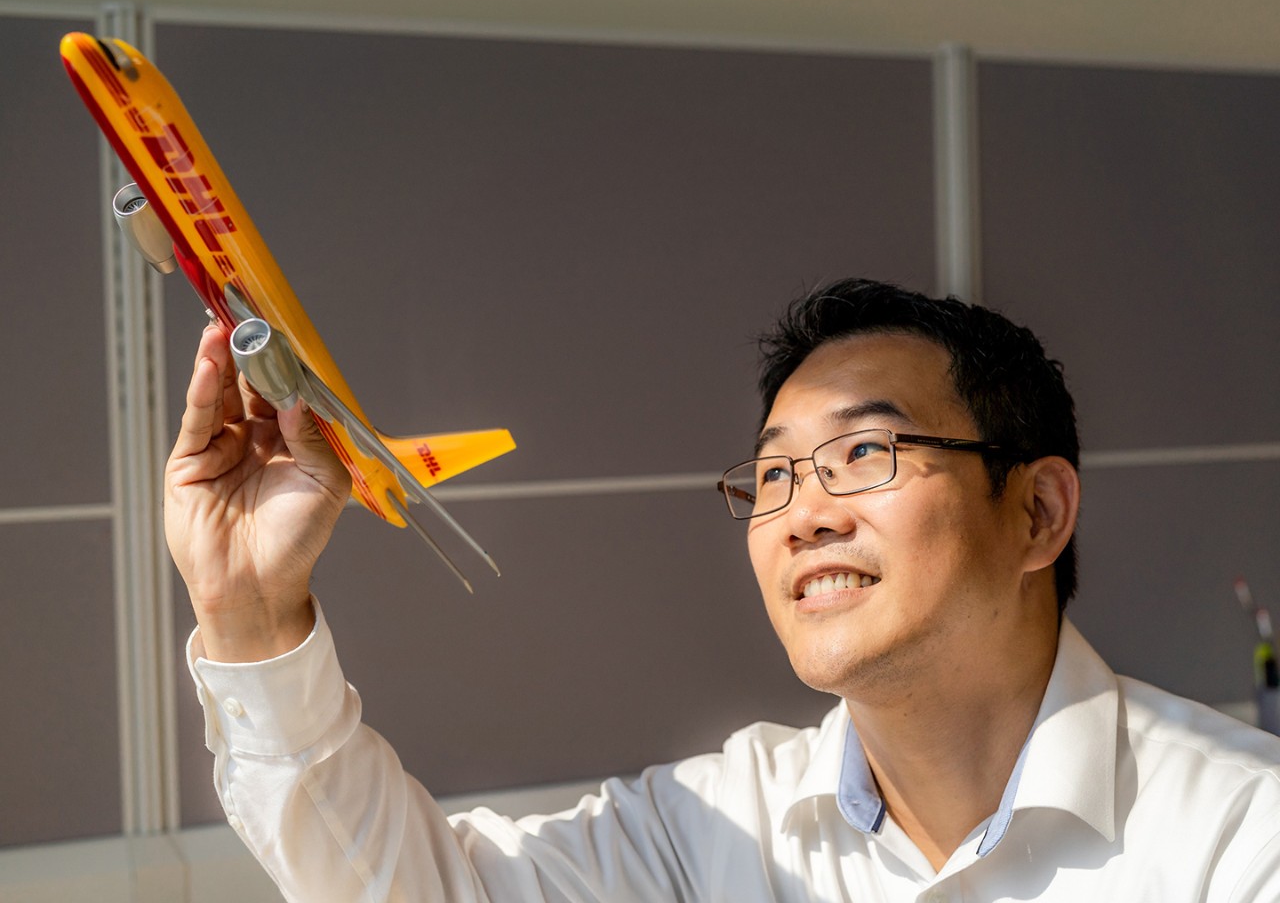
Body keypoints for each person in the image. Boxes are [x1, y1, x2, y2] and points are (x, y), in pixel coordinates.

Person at [173, 278, 1280, 902]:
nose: (803, 512)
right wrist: (249, 616)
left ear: (1035, 512)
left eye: (864, 453)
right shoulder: (711, 832)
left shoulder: (1238, 837)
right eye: (774, 475)